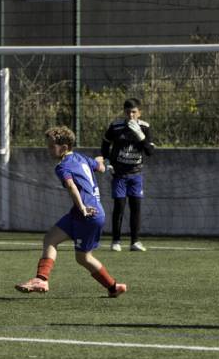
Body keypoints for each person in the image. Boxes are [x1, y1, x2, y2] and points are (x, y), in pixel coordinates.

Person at [15, 126, 127, 298]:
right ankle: (41, 279)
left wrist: (82, 207)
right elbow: (101, 168)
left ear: (64, 147)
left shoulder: (62, 167)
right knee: (51, 239)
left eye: (51, 146)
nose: (48, 150)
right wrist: (100, 160)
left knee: (83, 257)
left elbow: (70, 185)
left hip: (87, 213)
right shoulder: (81, 158)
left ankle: (113, 287)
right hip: (83, 212)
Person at [101, 97, 154, 252]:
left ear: (139, 112)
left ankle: (135, 242)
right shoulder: (116, 126)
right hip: (119, 174)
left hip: (136, 173)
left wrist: (140, 135)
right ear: (124, 112)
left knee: (136, 207)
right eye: (128, 112)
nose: (131, 115)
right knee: (119, 206)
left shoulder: (144, 127)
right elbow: (105, 143)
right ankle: (116, 241)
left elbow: (150, 151)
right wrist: (107, 160)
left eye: (134, 112)